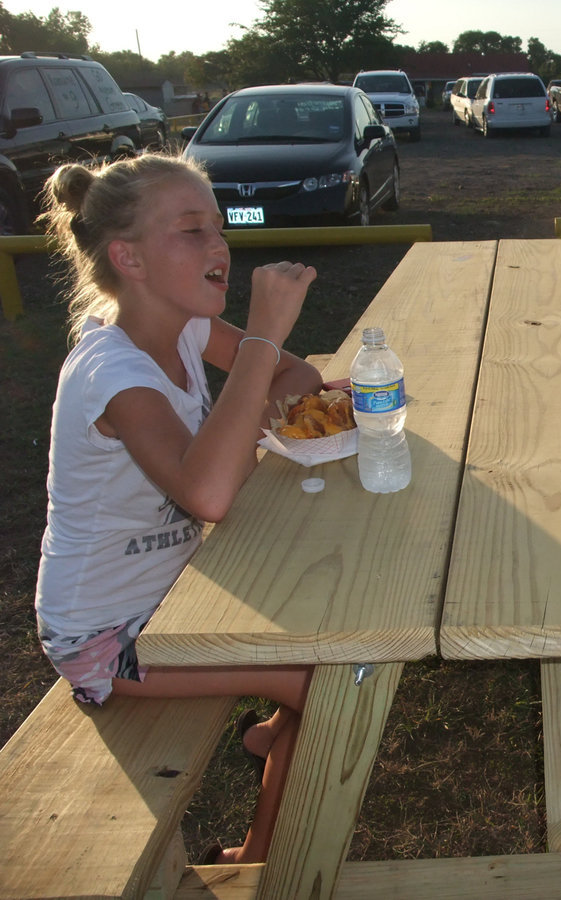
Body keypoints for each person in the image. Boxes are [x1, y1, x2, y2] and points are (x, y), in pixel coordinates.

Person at [35, 153, 322, 865]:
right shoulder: (113, 372)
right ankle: (259, 857)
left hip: (173, 595)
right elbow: (211, 494)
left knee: (329, 619)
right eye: (192, 231)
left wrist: (255, 390)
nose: (219, 246)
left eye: (219, 228)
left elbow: (300, 376)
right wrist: (260, 341)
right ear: (127, 257)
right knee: (327, 683)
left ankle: (267, 733)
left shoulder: (187, 329)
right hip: (106, 633)